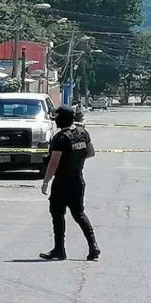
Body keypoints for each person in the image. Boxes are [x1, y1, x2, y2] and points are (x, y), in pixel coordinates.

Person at [40, 105, 100, 261]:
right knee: (79, 214)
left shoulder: (60, 138)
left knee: (57, 214)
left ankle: (59, 250)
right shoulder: (82, 133)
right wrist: (75, 159)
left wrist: (46, 181)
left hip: (62, 182)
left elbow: (54, 163)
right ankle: (93, 246)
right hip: (78, 180)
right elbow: (90, 153)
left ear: (61, 118)